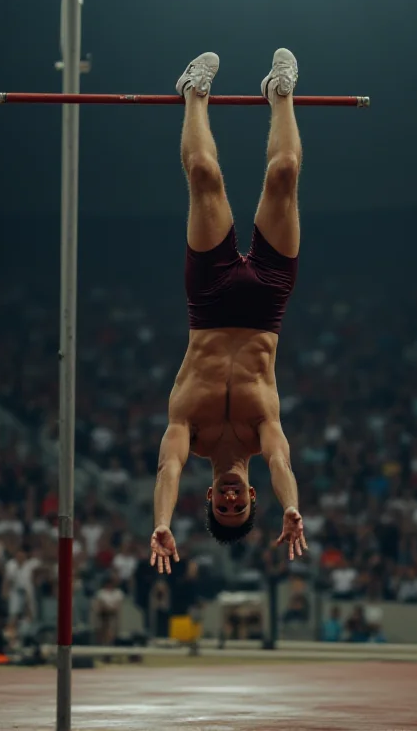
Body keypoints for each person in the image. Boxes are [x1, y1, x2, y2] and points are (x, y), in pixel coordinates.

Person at [151, 49, 308, 572]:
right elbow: (283, 461)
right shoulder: (263, 437)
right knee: (283, 174)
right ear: (253, 500)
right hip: (266, 305)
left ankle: (193, 92)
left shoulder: (190, 436)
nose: (232, 500)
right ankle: (279, 92)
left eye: (223, 508)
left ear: (212, 500)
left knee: (203, 174)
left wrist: (162, 524)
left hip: (211, 304)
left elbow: (166, 471)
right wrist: (292, 507)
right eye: (241, 508)